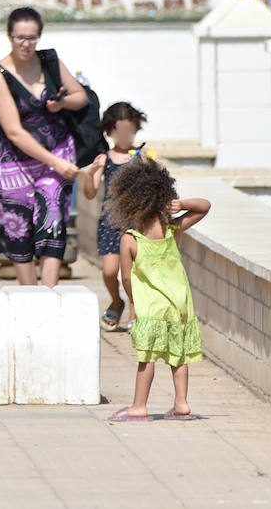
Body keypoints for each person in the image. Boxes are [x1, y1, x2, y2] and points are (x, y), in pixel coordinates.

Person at [0, 7, 87, 286]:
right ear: (10, 36)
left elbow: (81, 96)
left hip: (57, 147)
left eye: (31, 37)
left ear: (39, 37)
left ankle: (50, 294)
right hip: (16, 160)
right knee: (19, 226)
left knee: (53, 219)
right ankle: (28, 295)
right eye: (20, 37)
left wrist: (63, 103)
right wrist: (56, 163)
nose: (26, 43)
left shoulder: (50, 62)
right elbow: (13, 131)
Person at [106, 157, 210, 422]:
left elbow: (127, 279)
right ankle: (182, 404)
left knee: (147, 358)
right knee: (178, 356)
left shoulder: (130, 239)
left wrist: (132, 304)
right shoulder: (172, 229)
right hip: (179, 303)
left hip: (150, 306)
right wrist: (183, 205)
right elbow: (205, 207)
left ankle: (139, 407)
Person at [81, 101, 150, 332]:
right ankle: (116, 301)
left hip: (135, 223)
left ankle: (134, 308)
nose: (124, 136)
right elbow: (90, 194)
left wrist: (150, 166)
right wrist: (91, 173)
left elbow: (155, 184)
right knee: (110, 271)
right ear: (110, 131)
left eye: (129, 130)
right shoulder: (105, 158)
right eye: (119, 130)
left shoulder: (141, 156)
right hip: (110, 222)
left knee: (131, 274)